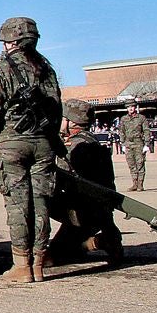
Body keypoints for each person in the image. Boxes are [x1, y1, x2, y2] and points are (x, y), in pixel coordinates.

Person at [0, 16, 62, 284]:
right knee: (41, 205)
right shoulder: (45, 68)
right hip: (42, 144)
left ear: (10, 41)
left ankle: (22, 265)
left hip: (11, 144)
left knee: (18, 206)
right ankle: (39, 264)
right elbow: (57, 108)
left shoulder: (1, 70)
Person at [47, 99, 124, 266]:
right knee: (69, 249)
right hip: (100, 212)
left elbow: (54, 179)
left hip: (83, 213)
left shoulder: (73, 146)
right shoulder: (92, 142)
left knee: (34, 198)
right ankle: (104, 239)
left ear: (70, 122)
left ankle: (36, 249)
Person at [120, 100, 148, 191]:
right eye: (128, 107)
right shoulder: (124, 119)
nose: (130, 108)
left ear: (135, 107)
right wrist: (122, 143)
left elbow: (146, 131)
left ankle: (140, 184)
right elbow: (122, 131)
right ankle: (134, 184)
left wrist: (146, 144)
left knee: (140, 163)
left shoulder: (141, 118)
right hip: (128, 143)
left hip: (139, 143)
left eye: (132, 106)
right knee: (131, 165)